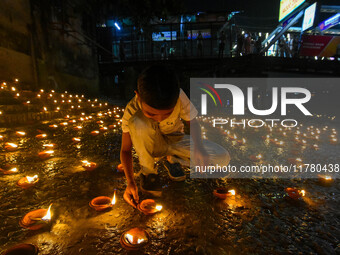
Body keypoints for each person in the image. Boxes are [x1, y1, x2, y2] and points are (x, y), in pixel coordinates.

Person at [120, 65, 230, 207]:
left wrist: (199, 148)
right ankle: (149, 174)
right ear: (138, 96)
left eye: (167, 113)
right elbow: (125, 150)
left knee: (222, 158)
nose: (159, 119)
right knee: (137, 121)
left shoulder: (179, 96)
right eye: (151, 114)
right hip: (153, 148)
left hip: (175, 140)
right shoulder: (131, 109)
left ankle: (172, 160)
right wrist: (130, 182)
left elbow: (193, 122)